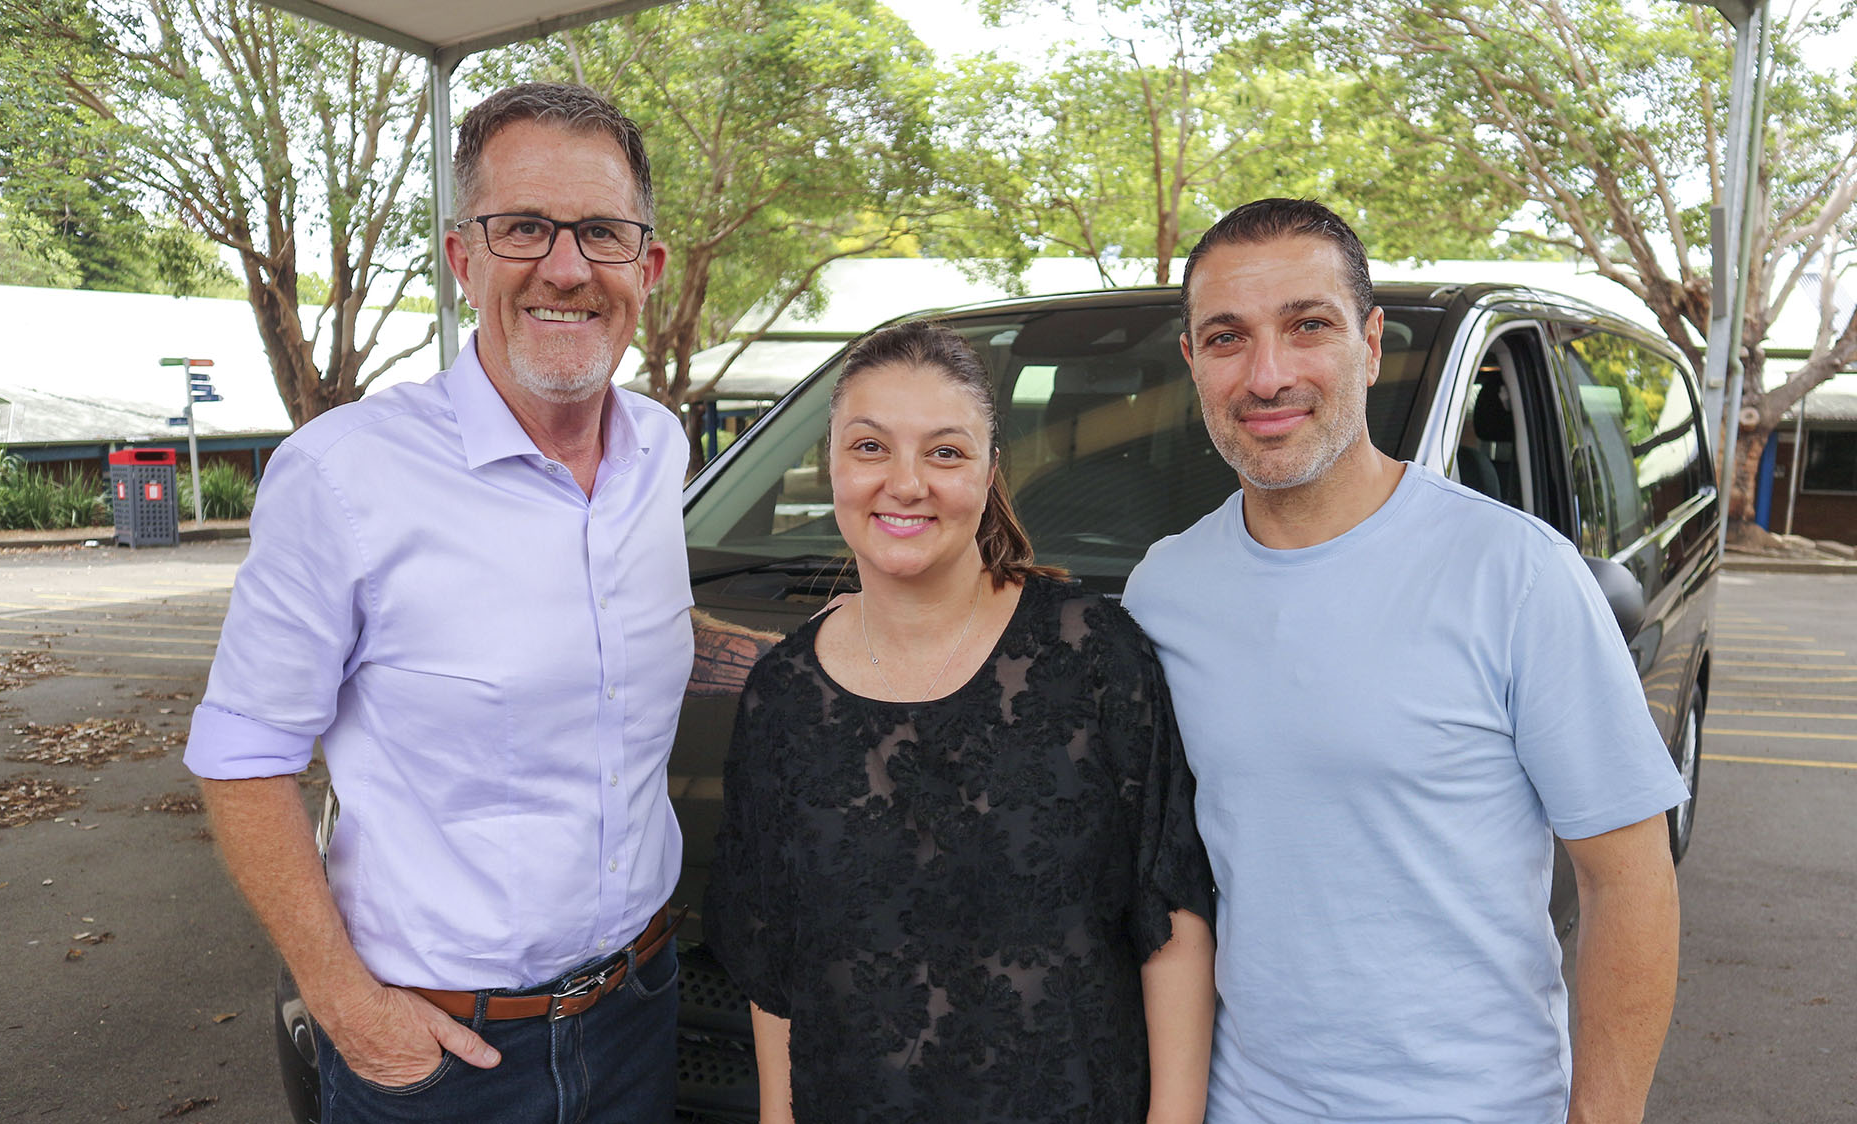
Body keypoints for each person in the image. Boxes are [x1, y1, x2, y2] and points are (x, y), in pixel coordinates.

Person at [186, 83, 714, 1123]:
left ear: (646, 267)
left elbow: (627, 634)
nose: (566, 267)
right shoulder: (342, 475)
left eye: (601, 232)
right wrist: (348, 1007)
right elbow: (242, 755)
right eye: (523, 227)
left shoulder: (659, 448)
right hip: (441, 1057)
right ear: (462, 258)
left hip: (641, 1009)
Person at [1123, 198, 1689, 1124]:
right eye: (1227, 338)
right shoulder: (1163, 591)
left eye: (1309, 326)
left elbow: (1627, 878)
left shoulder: (1514, 573)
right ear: (1193, 361)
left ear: (1371, 343)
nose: (1268, 375)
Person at [704, 320, 1218, 1124]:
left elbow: (1173, 925)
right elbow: (775, 968)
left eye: (944, 452)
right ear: (832, 462)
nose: (906, 484)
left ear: (988, 471)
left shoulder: (1091, 657)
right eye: (870, 447)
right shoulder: (785, 694)